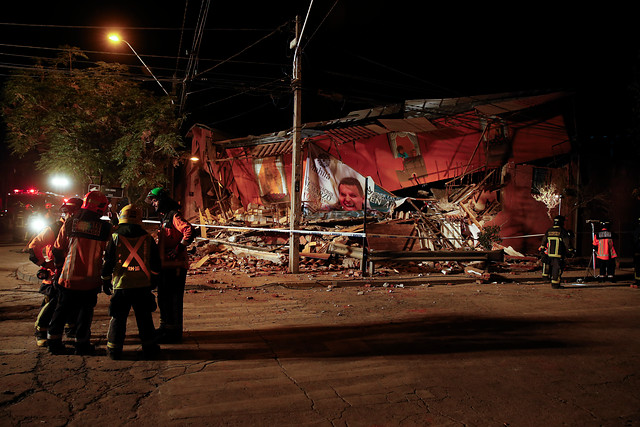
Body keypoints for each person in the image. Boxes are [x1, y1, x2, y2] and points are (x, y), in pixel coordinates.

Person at [47, 191, 111, 355]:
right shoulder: (104, 228)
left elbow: (57, 249)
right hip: (90, 280)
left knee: (61, 310)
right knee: (85, 313)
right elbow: (108, 252)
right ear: (99, 207)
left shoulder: (70, 222)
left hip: (68, 278)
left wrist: (59, 269)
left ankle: (54, 343)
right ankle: (82, 345)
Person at [101, 204, 161, 360]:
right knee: (145, 318)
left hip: (122, 285)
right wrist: (153, 280)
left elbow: (108, 261)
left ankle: (114, 349)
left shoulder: (115, 237)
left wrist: (105, 280)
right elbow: (155, 263)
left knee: (118, 318)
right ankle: (149, 348)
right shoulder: (147, 238)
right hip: (142, 285)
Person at [28, 197, 83, 347]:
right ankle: (41, 331)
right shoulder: (55, 228)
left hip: (69, 274)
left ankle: (70, 328)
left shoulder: (78, 227)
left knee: (71, 303)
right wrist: (45, 264)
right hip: (55, 275)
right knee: (52, 304)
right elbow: (33, 247)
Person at [145, 187, 194, 343]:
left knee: (173, 300)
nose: (153, 204)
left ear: (162, 200)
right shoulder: (165, 217)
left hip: (176, 267)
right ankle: (165, 328)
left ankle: (173, 333)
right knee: (164, 299)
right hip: (167, 266)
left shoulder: (174, 216)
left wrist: (179, 248)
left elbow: (189, 230)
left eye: (155, 200)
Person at [538, 215, 574, 289]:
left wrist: (542, 249)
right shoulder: (562, 231)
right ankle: (555, 284)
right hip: (558, 254)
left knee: (550, 268)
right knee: (557, 269)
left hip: (549, 254)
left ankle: (548, 278)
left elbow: (544, 241)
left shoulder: (549, 230)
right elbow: (567, 243)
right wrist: (571, 250)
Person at [634, 217, 640, 287]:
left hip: (638, 250)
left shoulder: (637, 230)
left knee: (638, 266)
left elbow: (635, 240)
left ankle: (638, 281)